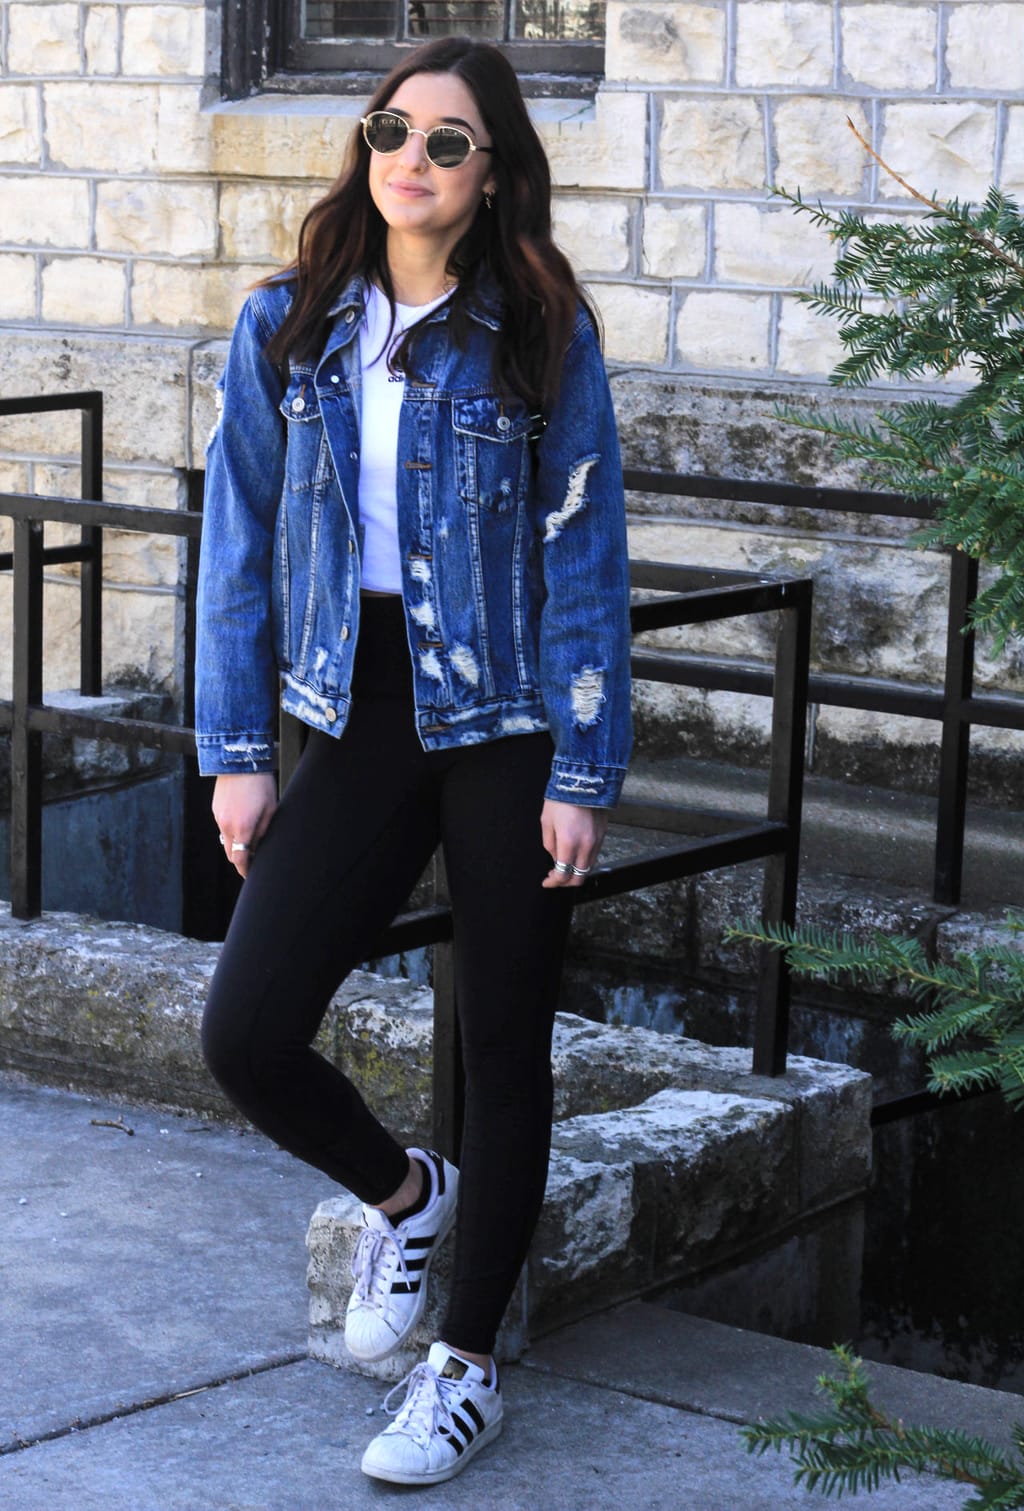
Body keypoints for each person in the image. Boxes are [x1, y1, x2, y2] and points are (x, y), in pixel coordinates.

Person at [194, 35, 632, 1487]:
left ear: (494, 169)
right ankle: (407, 1194)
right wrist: (237, 752)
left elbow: (588, 560)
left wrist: (586, 768)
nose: (413, 159)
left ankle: (465, 1366)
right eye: (394, 130)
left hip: (509, 717)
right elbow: (238, 552)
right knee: (248, 1029)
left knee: (505, 1049)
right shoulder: (292, 323)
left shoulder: (541, 332)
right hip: (360, 707)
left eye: (450, 141)